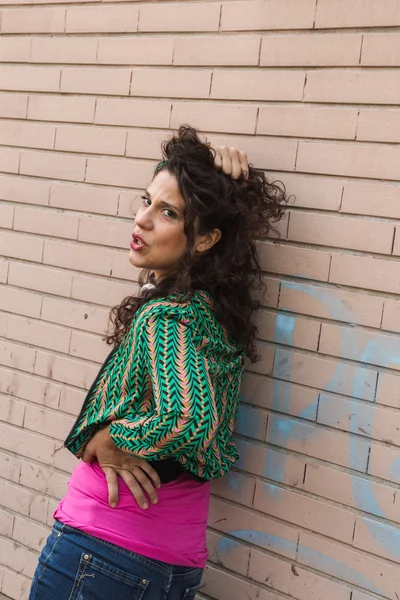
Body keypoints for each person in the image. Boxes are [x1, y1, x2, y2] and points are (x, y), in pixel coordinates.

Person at [28, 126, 287, 600]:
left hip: (102, 553)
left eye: (167, 212)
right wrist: (218, 174)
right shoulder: (210, 311)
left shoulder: (168, 314)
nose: (143, 219)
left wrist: (111, 437)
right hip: (170, 563)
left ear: (205, 239)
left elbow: (188, 416)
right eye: (146, 200)